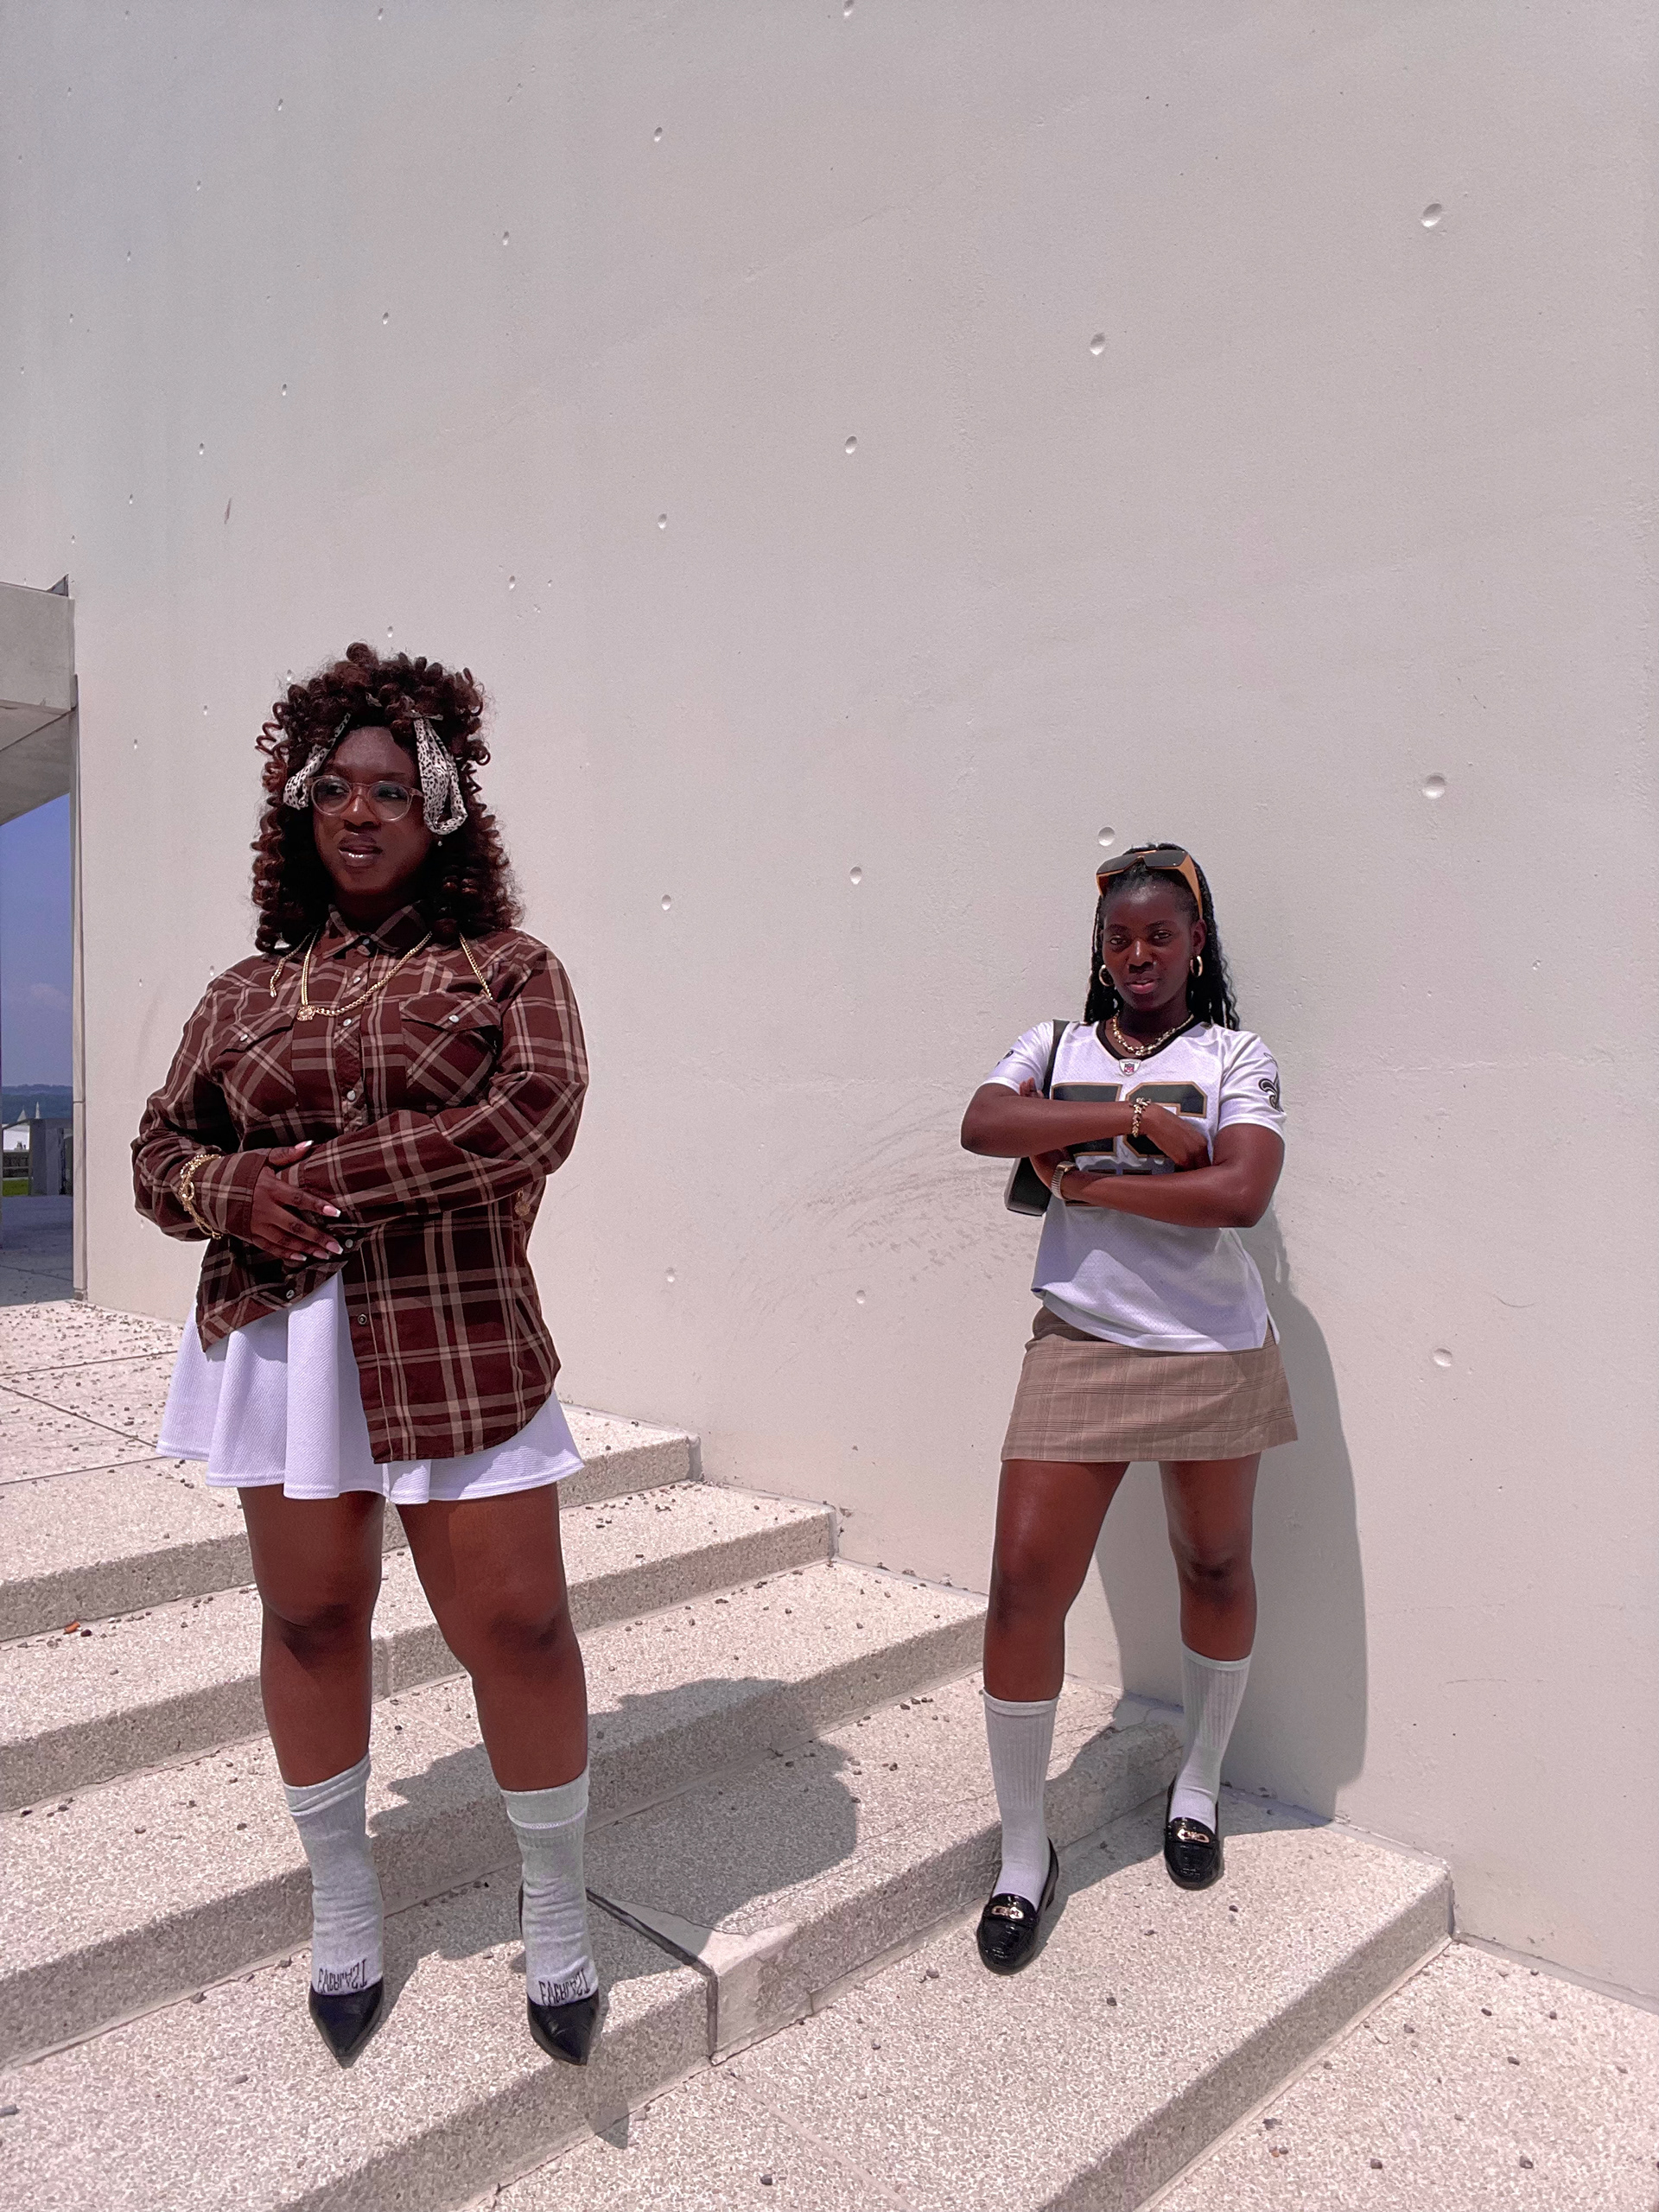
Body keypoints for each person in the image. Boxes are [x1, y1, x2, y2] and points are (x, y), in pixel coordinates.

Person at [133, 644, 600, 2066]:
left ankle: (556, 1904)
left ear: (442, 812)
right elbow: (159, 1152)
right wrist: (228, 1190)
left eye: (393, 790)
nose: (360, 811)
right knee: (311, 1621)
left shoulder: (508, 969)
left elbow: (528, 1119)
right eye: (334, 787)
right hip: (287, 1346)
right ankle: (343, 1895)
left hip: (455, 1334)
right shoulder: (238, 994)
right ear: (298, 807)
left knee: (517, 1629)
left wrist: (316, 1178)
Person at [958, 842, 1294, 1974]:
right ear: (1101, 953)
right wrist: (1143, 1124)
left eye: (1160, 934)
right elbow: (985, 1122)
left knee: (1216, 1566)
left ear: (1197, 944)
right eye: (1120, 939)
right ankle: (1024, 1851)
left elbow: (1239, 1192)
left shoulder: (1236, 1053)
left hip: (1214, 1350)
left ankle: (1198, 1785)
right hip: (1082, 1340)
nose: (1139, 953)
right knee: (1022, 1587)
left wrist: (1091, 1175)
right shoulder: (1054, 1045)